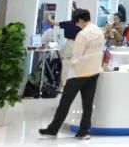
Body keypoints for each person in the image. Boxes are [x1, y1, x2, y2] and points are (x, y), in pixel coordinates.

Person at [40, 9, 103, 140]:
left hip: (79, 73)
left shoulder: (82, 35)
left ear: (79, 20)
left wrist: (71, 64)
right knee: (88, 105)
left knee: (65, 102)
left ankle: (53, 129)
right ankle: (84, 131)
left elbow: (76, 55)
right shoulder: (98, 31)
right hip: (94, 72)